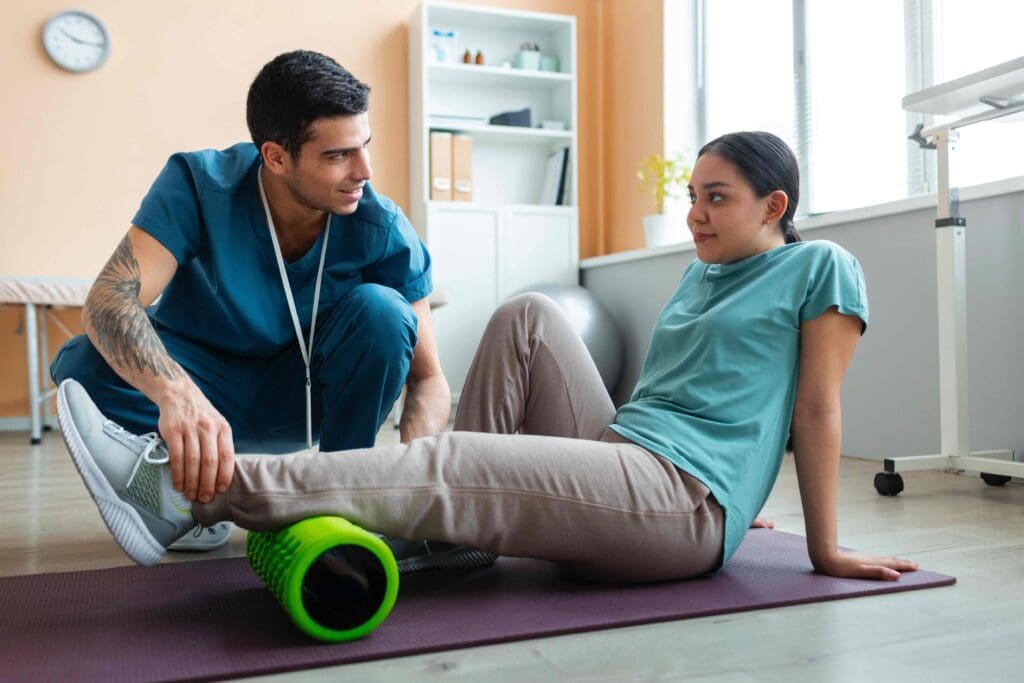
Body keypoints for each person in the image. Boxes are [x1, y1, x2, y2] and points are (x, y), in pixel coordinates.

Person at [57, 131, 919, 583]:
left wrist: (813, 543)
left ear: (775, 204)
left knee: (457, 459)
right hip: (634, 461)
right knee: (532, 314)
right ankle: (455, 535)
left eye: (716, 199)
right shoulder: (702, 276)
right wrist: (746, 486)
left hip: (682, 501)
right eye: (691, 197)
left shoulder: (819, 267)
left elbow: (812, 408)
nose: (695, 215)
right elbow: (691, 395)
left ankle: (190, 490)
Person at [50, 51, 451, 553]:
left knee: (383, 313)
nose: (363, 171)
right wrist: (179, 397)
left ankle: (340, 496)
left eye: (364, 146)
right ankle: (193, 492)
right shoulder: (201, 183)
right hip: (203, 392)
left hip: (305, 400)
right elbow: (109, 298)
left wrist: (415, 482)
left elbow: (430, 380)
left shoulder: (381, 225)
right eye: (337, 156)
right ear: (276, 157)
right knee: (82, 362)